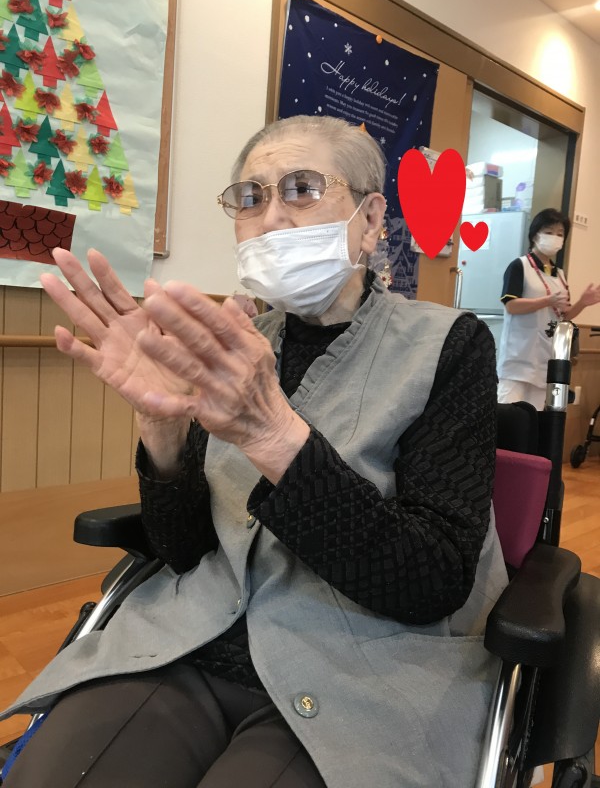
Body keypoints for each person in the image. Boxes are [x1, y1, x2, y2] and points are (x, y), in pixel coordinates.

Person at [1, 115, 508, 788]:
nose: (270, 218)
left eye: (301, 189)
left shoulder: (449, 345)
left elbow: (432, 581)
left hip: (363, 663)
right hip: (190, 640)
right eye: (249, 197)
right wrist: (162, 430)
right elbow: (183, 550)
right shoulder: (232, 342)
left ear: (369, 219)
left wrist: (273, 437)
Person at [497, 207, 600, 410]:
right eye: (549, 232)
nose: (555, 238)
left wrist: (582, 302)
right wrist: (547, 300)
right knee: (506, 418)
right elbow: (511, 306)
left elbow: (564, 316)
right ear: (535, 235)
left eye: (560, 234)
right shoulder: (519, 266)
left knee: (532, 420)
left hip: (544, 361)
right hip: (517, 361)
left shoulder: (560, 275)